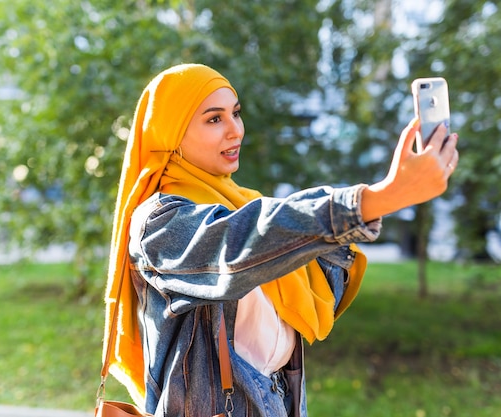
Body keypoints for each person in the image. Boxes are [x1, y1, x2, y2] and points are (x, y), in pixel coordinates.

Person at [101, 63, 459, 417]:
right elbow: (238, 247)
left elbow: (299, 269)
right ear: (171, 133)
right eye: (214, 119)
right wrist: (380, 197)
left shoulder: (242, 203)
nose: (235, 130)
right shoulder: (159, 224)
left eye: (236, 114)